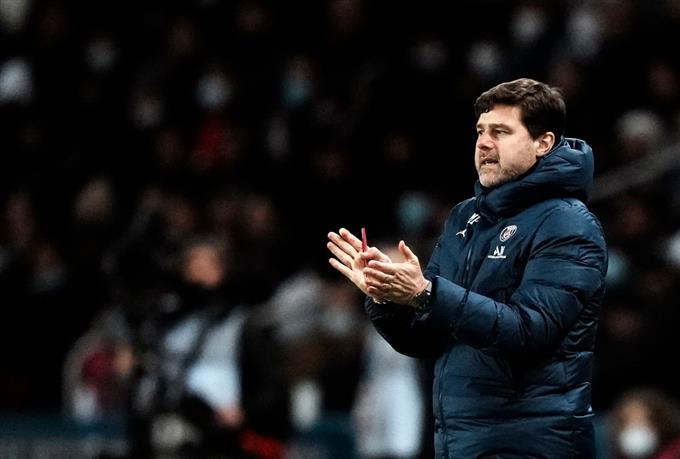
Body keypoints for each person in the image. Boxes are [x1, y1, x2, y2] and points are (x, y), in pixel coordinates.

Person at [326, 78, 608, 458]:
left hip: (531, 443)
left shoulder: (567, 222)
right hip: (460, 442)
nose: (484, 143)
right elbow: (425, 340)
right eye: (480, 131)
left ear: (543, 143)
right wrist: (387, 295)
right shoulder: (465, 218)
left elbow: (528, 331)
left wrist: (426, 294)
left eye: (500, 132)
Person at [607, 387, 680, 459]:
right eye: (629, 420)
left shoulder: (676, 449)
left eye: (641, 419)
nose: (635, 426)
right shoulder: (616, 452)